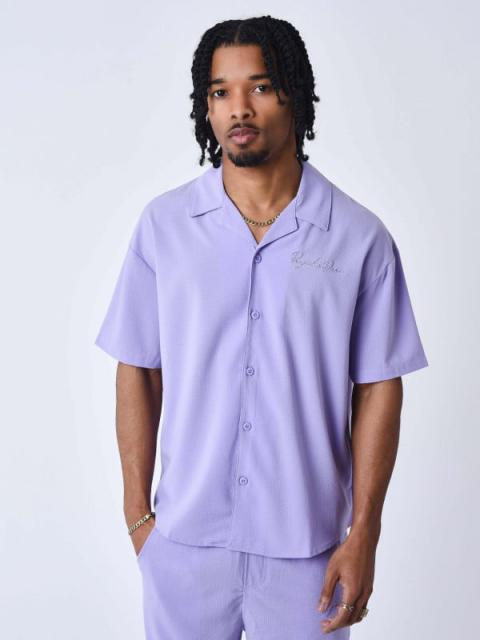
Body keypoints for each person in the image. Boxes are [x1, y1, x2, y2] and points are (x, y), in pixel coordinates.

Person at [94, 15, 429, 639]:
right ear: (206, 107)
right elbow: (137, 366)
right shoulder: (164, 227)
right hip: (184, 547)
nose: (239, 108)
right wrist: (138, 516)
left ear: (294, 95)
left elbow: (380, 386)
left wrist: (364, 534)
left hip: (309, 556)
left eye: (260, 86)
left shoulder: (359, 239)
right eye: (220, 91)